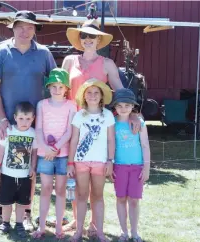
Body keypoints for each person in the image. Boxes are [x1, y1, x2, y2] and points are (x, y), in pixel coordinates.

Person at [62, 19, 141, 235]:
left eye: (92, 36)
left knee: (95, 185)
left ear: (99, 40)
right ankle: (77, 222)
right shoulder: (69, 61)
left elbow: (121, 91)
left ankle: (94, 225)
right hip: (74, 123)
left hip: (97, 127)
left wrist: (133, 112)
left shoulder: (107, 64)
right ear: (80, 40)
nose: (88, 40)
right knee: (77, 183)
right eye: (84, 36)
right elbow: (61, 90)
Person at [0, 10, 56, 231]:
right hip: (5, 121)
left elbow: (55, 86)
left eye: (30, 27)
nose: (25, 32)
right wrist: (4, 119)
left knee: (29, 170)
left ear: (35, 29)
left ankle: (26, 213)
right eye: (21, 27)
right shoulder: (0, 52)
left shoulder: (44, 54)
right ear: (12, 28)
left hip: (34, 124)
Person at [67, 79, 115, 242]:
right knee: (82, 195)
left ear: (101, 96)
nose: (93, 96)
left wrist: (110, 160)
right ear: (84, 96)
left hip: (100, 162)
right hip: (81, 161)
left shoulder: (107, 115)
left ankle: (99, 231)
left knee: (98, 195)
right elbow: (74, 140)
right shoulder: (79, 115)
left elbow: (110, 140)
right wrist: (70, 162)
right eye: (89, 92)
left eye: (96, 93)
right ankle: (79, 231)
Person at [32, 68, 77, 239]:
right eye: (54, 86)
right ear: (49, 87)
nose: (57, 90)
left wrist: (56, 147)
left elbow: (69, 131)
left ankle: (59, 227)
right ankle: (41, 226)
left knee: (60, 190)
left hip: (62, 154)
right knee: (45, 189)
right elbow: (39, 128)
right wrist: (45, 147)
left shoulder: (71, 106)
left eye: (61, 87)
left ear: (66, 88)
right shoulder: (42, 104)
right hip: (45, 154)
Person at [110, 89, 150, 242]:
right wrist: (111, 164)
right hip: (119, 167)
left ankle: (134, 232)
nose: (123, 108)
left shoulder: (139, 122)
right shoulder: (112, 124)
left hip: (137, 167)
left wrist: (146, 168)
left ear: (133, 106)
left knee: (134, 200)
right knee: (121, 198)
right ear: (115, 107)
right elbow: (110, 145)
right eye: (119, 105)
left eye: (127, 105)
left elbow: (145, 145)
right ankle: (123, 231)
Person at [0, 101, 37, 238]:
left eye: (28, 119)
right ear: (14, 117)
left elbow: (34, 153)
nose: (24, 122)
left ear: (33, 119)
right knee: (7, 202)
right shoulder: (9, 131)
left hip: (24, 175)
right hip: (8, 173)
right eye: (21, 118)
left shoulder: (33, 133)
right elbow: (1, 149)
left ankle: (19, 223)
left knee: (21, 202)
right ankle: (5, 223)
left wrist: (32, 167)